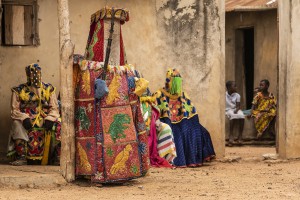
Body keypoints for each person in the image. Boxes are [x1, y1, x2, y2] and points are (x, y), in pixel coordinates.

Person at [153, 68, 215, 167]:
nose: (178, 85)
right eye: (175, 82)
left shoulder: (183, 94)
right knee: (179, 133)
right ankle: (178, 161)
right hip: (168, 122)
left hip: (185, 122)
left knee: (198, 131)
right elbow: (156, 111)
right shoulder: (159, 94)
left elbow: (191, 111)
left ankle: (194, 160)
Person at [7, 63, 61, 166]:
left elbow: (54, 108)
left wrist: (50, 118)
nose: (34, 79)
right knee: (16, 124)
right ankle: (21, 156)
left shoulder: (48, 89)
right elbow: (14, 110)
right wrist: (24, 118)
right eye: (31, 76)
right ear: (28, 76)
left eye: (36, 75)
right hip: (26, 119)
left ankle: (56, 157)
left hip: (44, 118)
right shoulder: (19, 90)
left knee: (60, 125)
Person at [225, 81, 245, 146]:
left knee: (242, 115)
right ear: (229, 87)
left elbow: (238, 105)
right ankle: (231, 135)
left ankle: (240, 136)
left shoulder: (237, 95)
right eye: (234, 86)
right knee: (232, 115)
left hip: (235, 109)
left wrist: (236, 110)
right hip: (228, 110)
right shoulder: (224, 95)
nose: (236, 87)